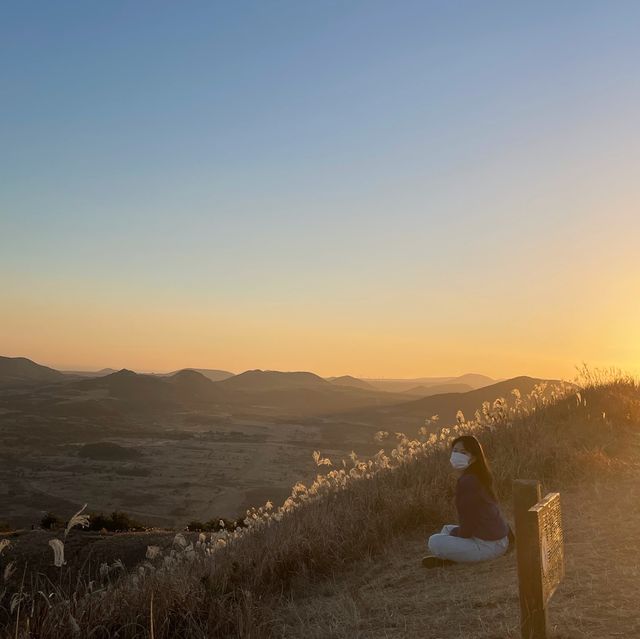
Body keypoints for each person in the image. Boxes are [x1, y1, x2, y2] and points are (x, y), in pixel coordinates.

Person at [422, 435, 512, 568]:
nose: (457, 455)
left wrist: (457, 534)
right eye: (455, 451)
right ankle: (452, 557)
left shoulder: (468, 482)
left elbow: (467, 526)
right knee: (446, 529)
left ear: (473, 458)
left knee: (434, 541)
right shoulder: (477, 477)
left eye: (463, 453)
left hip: (488, 546)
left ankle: (451, 559)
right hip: (500, 540)